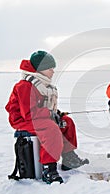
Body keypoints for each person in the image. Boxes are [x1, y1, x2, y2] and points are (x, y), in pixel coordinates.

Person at [5, 50, 89, 184]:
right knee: (51, 128)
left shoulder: (42, 83)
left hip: (39, 117)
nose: (53, 71)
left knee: (67, 122)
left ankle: (69, 158)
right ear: (40, 69)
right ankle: (48, 168)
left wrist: (56, 114)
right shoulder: (25, 85)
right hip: (22, 120)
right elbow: (28, 114)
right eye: (50, 68)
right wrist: (50, 115)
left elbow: (41, 108)